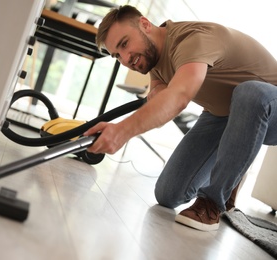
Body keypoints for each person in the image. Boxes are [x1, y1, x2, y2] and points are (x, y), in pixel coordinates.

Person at [84, 5, 277, 231]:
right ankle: (232, 172)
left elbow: (180, 96)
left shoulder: (192, 39)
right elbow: (162, 99)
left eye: (125, 44)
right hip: (223, 115)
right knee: (167, 193)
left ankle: (213, 201)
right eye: (117, 55)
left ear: (145, 24)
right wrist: (156, 97)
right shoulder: (154, 59)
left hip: (268, 107)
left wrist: (123, 131)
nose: (126, 59)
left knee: (249, 93)